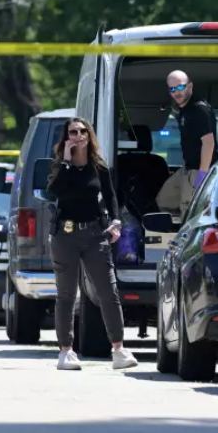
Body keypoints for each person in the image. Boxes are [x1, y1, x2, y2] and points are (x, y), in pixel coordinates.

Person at [46, 118, 139, 372]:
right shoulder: (60, 166)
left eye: (82, 131)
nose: (78, 135)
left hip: (95, 234)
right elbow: (55, 192)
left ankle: (118, 349)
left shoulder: (98, 166)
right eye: (72, 132)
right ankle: (66, 351)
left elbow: (110, 196)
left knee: (108, 291)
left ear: (89, 135)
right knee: (66, 294)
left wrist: (116, 222)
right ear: (66, 137)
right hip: (65, 235)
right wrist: (66, 161)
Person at [156, 70, 218, 220]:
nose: (176, 92)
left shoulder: (199, 109)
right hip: (187, 168)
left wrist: (202, 175)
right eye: (172, 89)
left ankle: (186, 230)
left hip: (199, 169)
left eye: (180, 87)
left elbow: (208, 143)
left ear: (190, 86)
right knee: (163, 200)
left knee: (190, 213)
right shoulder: (184, 109)